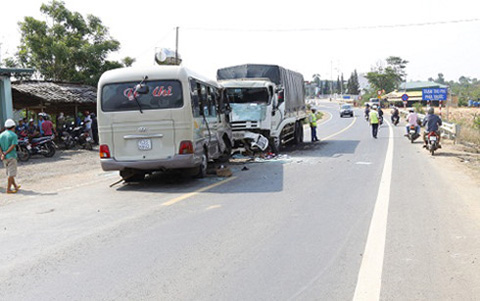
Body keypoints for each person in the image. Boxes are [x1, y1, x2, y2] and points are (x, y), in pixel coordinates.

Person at [0, 119, 21, 193]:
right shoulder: (13, 135)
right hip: (11, 156)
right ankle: (8, 189)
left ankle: (15, 186)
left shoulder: (1, 135)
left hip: (4, 157)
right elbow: (13, 146)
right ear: (13, 127)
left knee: (9, 172)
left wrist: (2, 154)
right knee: (11, 174)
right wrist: (6, 153)